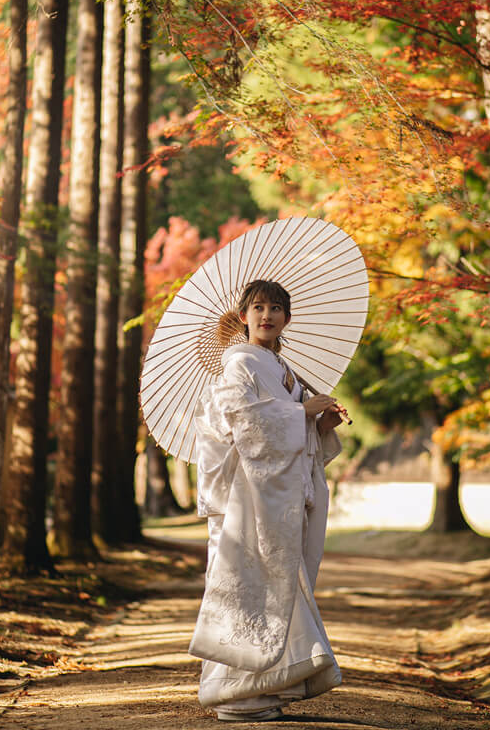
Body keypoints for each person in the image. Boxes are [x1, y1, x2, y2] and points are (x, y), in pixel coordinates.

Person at [189, 279, 345, 722]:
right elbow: (242, 422)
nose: (267, 315)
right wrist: (301, 413)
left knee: (281, 582)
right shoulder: (240, 363)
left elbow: (292, 428)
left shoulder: (282, 368)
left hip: (284, 489)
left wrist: (320, 421)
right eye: (258, 307)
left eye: (276, 308)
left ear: (287, 319)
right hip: (252, 494)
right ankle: (235, 689)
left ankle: (267, 685)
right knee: (249, 582)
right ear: (243, 317)